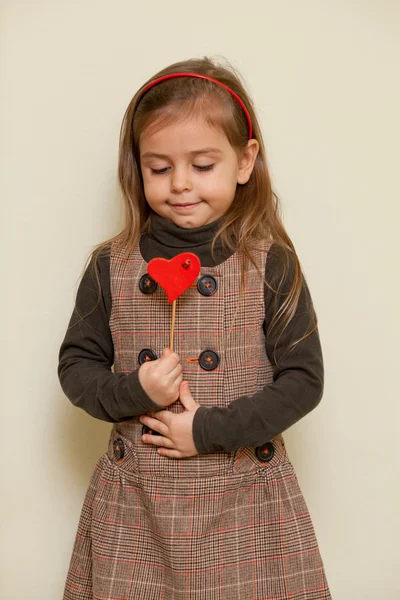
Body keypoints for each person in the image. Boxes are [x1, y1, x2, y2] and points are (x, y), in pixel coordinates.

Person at [59, 57, 331, 599]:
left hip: (245, 508)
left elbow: (304, 380)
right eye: (159, 169)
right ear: (138, 168)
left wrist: (205, 431)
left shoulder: (270, 265)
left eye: (202, 165)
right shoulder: (109, 266)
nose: (180, 184)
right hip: (137, 511)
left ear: (244, 160)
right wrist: (133, 390)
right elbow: (75, 369)